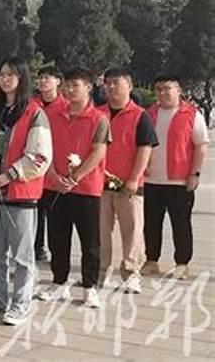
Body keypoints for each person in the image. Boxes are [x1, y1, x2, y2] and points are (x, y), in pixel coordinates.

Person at [0, 58, 52, 326]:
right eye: (2, 74)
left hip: (21, 192)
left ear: (22, 78)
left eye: (11, 75)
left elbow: (40, 155)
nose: (5, 79)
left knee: (22, 255)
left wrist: (11, 174)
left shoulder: (34, 112)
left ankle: (21, 304)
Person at [39, 68, 109, 309]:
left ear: (88, 87)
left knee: (90, 241)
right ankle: (59, 282)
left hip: (86, 188)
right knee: (57, 238)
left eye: (75, 85)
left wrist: (75, 177)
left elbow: (99, 151)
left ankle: (90, 286)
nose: (69, 90)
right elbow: (43, 149)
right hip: (54, 185)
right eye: (66, 85)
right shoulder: (51, 115)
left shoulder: (99, 118)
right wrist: (54, 176)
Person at [142, 75, 209, 281]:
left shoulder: (191, 114)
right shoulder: (149, 114)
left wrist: (195, 174)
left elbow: (201, 145)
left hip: (180, 181)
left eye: (167, 88)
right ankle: (151, 260)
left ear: (178, 90)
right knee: (151, 223)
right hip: (152, 179)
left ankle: (182, 264)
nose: (162, 93)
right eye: (159, 88)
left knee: (181, 224)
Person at [98, 68, 158, 293]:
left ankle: (131, 273)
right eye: (108, 83)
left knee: (132, 230)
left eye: (116, 83)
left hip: (129, 185)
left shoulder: (140, 115)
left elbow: (145, 148)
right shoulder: (98, 113)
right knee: (102, 231)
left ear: (129, 86)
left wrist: (134, 178)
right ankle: (103, 271)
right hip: (100, 183)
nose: (111, 87)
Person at [32, 66, 66, 262]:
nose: (43, 81)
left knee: (54, 213)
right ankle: (36, 247)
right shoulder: (31, 105)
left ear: (58, 82)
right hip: (34, 165)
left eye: (48, 78)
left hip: (56, 166)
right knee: (34, 211)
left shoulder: (66, 106)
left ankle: (56, 252)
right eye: (41, 78)